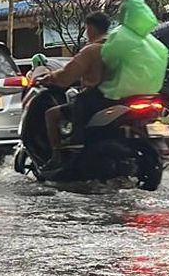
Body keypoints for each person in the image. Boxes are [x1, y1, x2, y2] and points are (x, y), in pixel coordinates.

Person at [34, 11, 112, 166]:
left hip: (95, 99)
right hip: (118, 97)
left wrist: (48, 79)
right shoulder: (117, 48)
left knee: (51, 114)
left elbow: (66, 75)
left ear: (91, 28)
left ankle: (56, 157)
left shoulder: (92, 50)